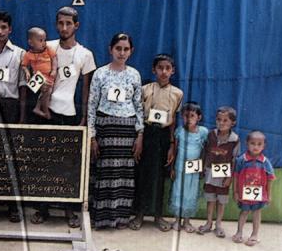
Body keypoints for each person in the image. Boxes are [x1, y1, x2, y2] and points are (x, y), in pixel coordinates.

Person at [31, 7, 97, 228]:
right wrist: (36, 91)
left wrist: (85, 118)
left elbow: (86, 89)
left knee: (69, 164)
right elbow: (35, 75)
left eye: (68, 23)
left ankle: (70, 210)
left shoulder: (85, 54)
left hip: (69, 114)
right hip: (46, 112)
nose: (64, 27)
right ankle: (42, 209)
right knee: (43, 161)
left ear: (76, 26)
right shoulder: (47, 46)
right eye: (60, 23)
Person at [87, 33, 144, 230]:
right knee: (105, 173)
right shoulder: (100, 74)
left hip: (127, 131)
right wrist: (92, 135)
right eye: (118, 48)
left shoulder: (134, 75)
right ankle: (102, 218)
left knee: (123, 174)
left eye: (125, 49)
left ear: (131, 51)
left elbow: (138, 107)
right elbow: (92, 105)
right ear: (111, 49)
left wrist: (140, 134)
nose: (121, 52)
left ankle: (121, 218)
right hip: (105, 129)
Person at [129, 54, 183, 232]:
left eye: (168, 68)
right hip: (146, 133)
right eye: (160, 68)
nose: (164, 72)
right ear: (154, 70)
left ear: (173, 71)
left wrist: (172, 145)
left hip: (163, 137)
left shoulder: (177, 93)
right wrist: (140, 138)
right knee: (143, 175)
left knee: (160, 177)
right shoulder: (145, 89)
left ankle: (159, 215)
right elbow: (138, 115)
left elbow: (173, 120)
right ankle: (139, 214)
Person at [198, 106, 241, 238]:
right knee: (210, 198)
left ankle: (218, 225)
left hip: (224, 175)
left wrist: (229, 177)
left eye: (225, 120)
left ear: (232, 123)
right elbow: (204, 152)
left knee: (221, 200)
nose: (221, 123)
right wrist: (202, 168)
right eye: (218, 120)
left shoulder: (235, 139)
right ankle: (208, 223)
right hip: (210, 171)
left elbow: (234, 160)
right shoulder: (210, 135)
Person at [167, 101, 209, 232]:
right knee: (178, 191)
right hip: (180, 168)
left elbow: (205, 151)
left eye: (192, 116)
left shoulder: (203, 132)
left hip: (194, 170)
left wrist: (202, 167)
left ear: (198, 118)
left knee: (190, 193)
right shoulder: (179, 131)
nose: (188, 119)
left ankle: (187, 221)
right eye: (185, 116)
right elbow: (174, 152)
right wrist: (172, 168)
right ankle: (177, 220)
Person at [232, 130, 276, 247]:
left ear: (264, 146)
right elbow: (235, 176)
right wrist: (235, 192)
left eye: (259, 144)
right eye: (252, 143)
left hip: (259, 194)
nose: (255, 147)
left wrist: (269, 194)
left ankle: (254, 234)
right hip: (244, 193)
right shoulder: (241, 160)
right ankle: (239, 232)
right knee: (244, 212)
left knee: (256, 213)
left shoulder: (265, 162)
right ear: (247, 143)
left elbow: (270, 178)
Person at [20, 27, 57, 120]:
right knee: (46, 91)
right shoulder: (28, 54)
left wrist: (54, 70)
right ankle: (45, 110)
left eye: (45, 40)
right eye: (41, 41)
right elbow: (23, 65)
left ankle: (38, 107)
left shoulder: (48, 49)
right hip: (38, 77)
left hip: (48, 76)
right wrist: (27, 72)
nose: (44, 43)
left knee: (46, 92)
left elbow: (54, 59)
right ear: (31, 43)